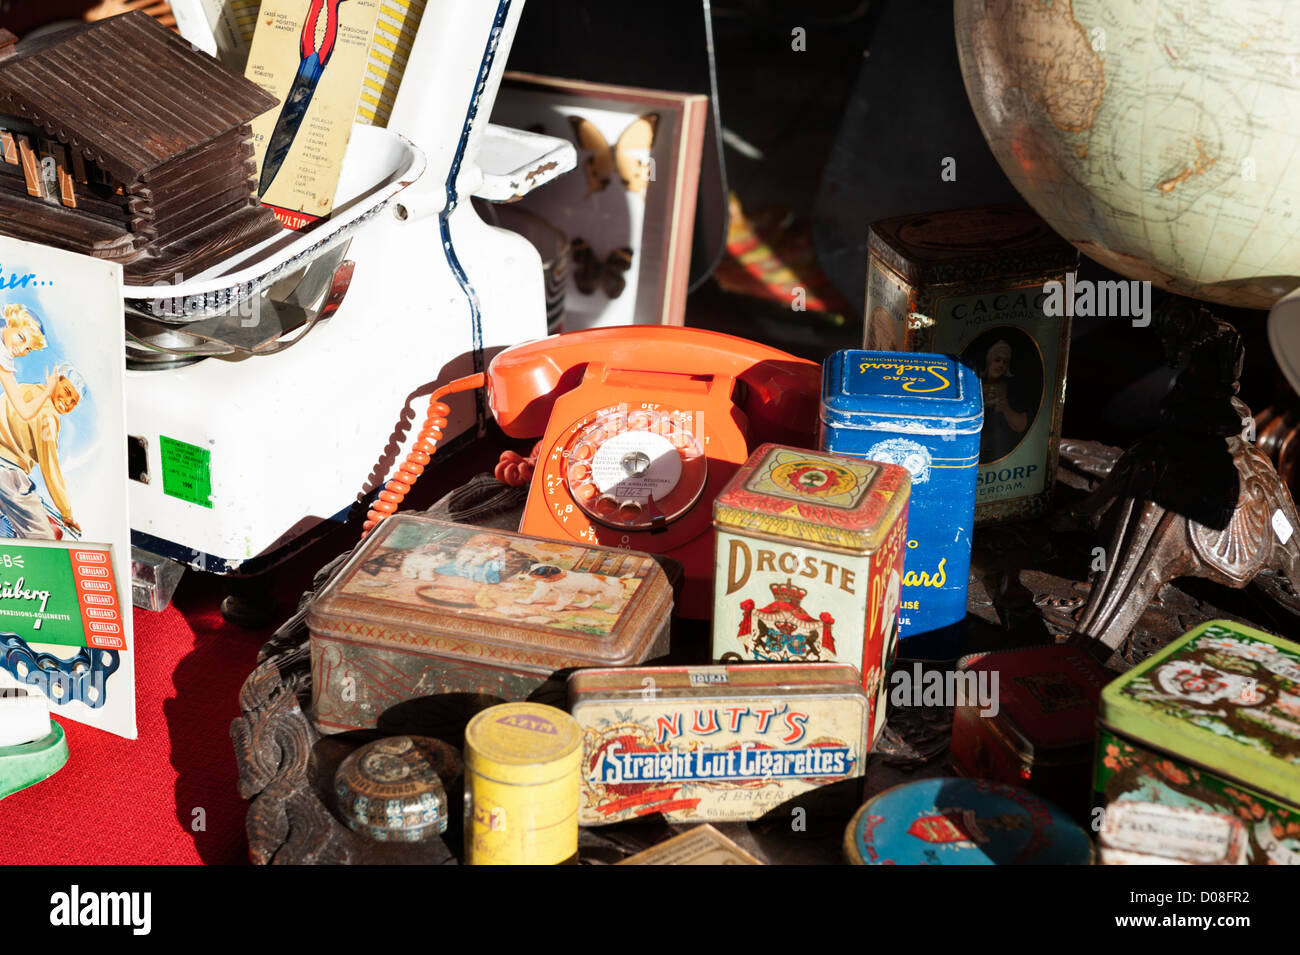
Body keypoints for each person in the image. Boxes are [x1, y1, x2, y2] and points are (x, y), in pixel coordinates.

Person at [0, 364, 85, 539]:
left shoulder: (23, 389)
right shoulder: (48, 416)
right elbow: (51, 470)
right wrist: (67, 514)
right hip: (9, 476)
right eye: (67, 392)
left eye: (74, 402)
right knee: (45, 541)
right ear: (55, 381)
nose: (68, 402)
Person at [0, 304, 57, 421]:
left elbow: (25, 412)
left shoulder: (4, 361)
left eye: (28, 349)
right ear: (10, 322)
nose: (21, 350)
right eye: (21, 337)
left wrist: (47, 391)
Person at [978, 340, 1028, 462]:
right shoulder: (975, 383)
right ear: (989, 360)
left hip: (1000, 449)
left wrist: (1005, 408)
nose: (1001, 365)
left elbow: (1020, 425)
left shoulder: (1010, 388)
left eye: (1005, 362)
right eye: (997, 360)